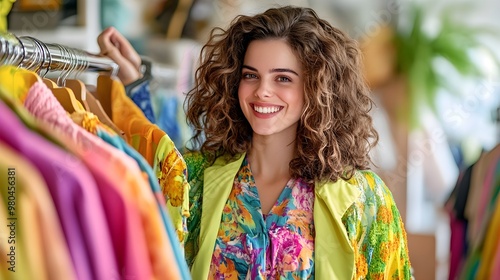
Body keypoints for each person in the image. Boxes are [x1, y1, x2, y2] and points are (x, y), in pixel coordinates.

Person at [98, 5, 412, 279]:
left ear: (318, 88)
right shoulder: (194, 177)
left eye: (283, 78)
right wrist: (135, 84)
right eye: (251, 75)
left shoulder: (364, 199)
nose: (262, 91)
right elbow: (151, 166)